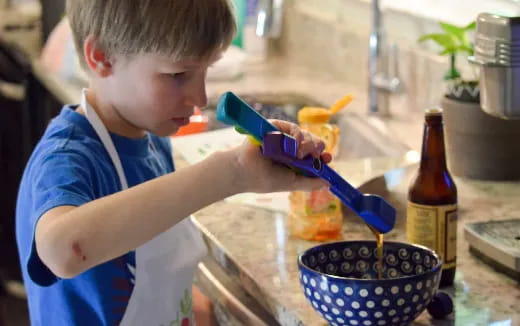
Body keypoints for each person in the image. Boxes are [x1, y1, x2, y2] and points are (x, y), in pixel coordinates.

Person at [16, 1, 332, 325]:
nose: (200, 97)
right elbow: (63, 251)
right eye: (178, 75)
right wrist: (230, 173)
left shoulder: (149, 139)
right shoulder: (67, 159)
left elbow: (156, 284)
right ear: (103, 56)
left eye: (205, 70)